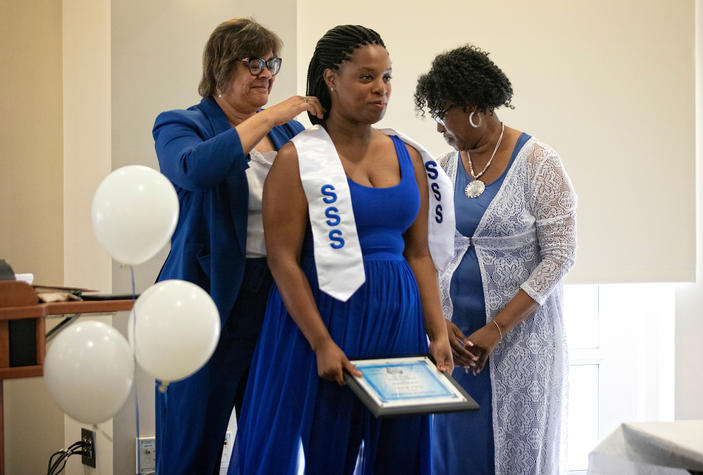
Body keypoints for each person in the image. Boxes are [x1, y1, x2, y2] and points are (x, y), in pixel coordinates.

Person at [227, 25, 454, 474]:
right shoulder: (298, 157)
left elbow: (419, 254)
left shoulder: (408, 155)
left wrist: (437, 330)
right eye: (366, 78)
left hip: (398, 322)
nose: (381, 90)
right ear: (331, 79)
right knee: (329, 451)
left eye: (387, 77)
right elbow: (282, 259)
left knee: (401, 452)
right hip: (329, 319)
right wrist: (321, 342)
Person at [151, 18, 323, 474]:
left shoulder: (290, 139)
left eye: (273, 63)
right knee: (192, 445)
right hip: (204, 302)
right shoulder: (180, 124)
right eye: (255, 63)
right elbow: (194, 170)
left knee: (269, 444)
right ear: (221, 66)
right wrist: (268, 116)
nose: (267, 73)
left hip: (276, 300)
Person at [414, 45, 577, 475]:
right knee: (453, 455)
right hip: (455, 342)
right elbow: (426, 252)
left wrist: (497, 328)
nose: (438, 125)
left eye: (443, 112)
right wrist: (437, 322)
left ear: (472, 109)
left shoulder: (539, 163)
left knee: (510, 454)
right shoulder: (445, 167)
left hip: (518, 342)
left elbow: (560, 256)